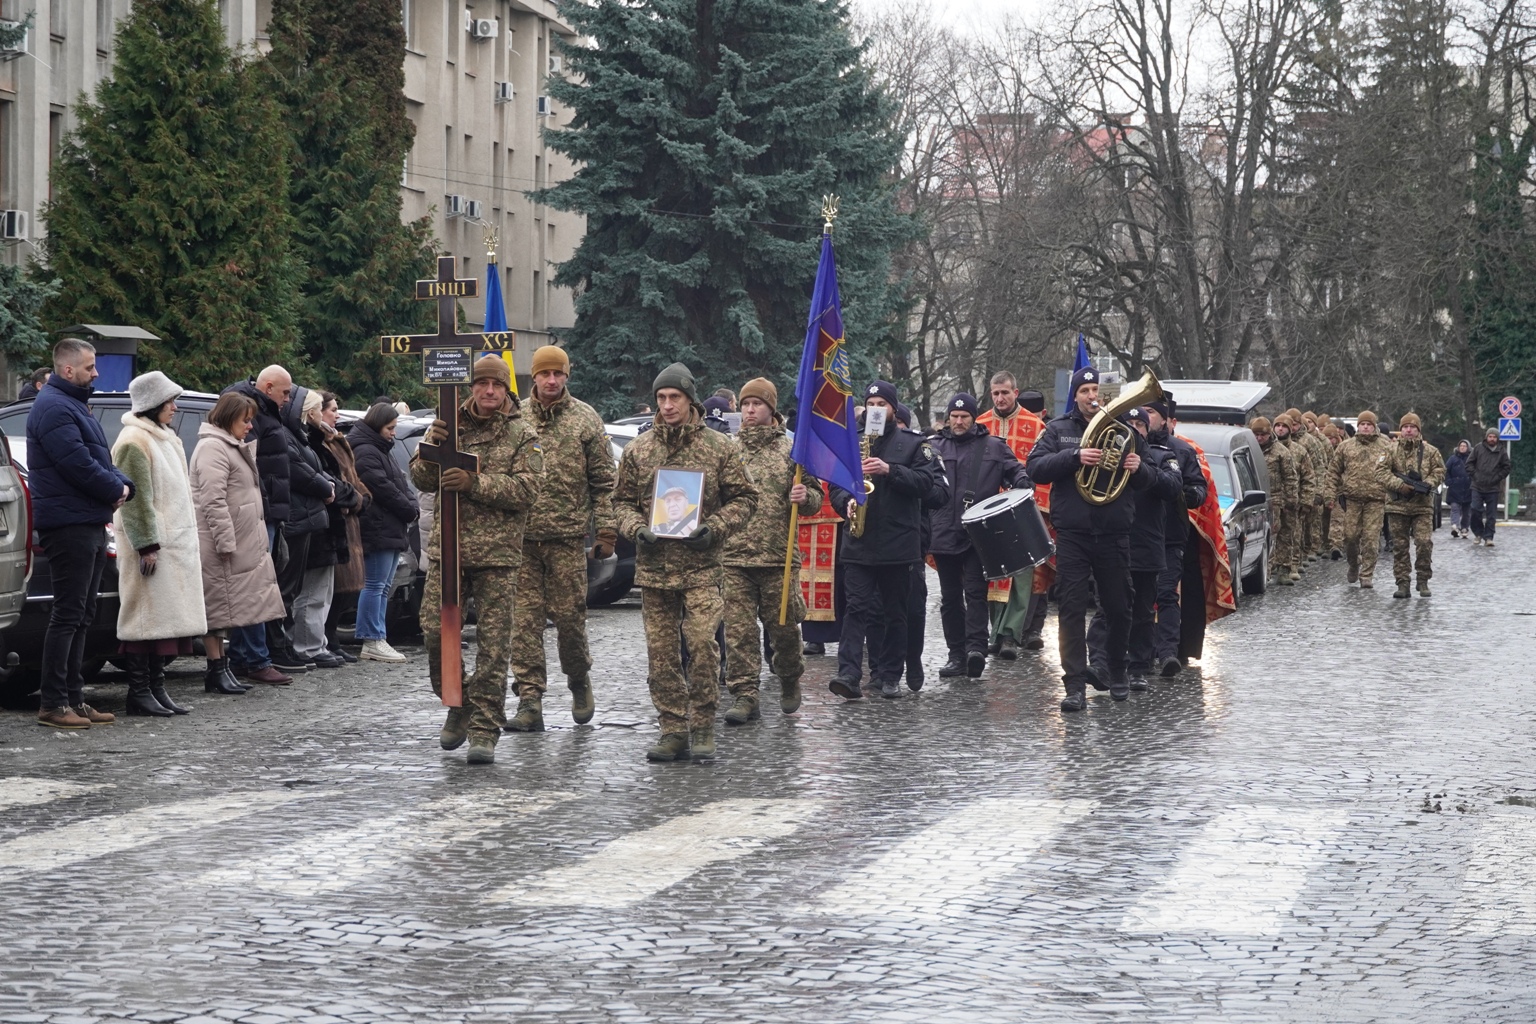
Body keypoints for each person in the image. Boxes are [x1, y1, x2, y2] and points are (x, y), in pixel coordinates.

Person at [613, 362, 758, 761]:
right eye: (661, 397)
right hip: (655, 568)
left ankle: (703, 724)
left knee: (702, 646)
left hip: (702, 568)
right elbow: (620, 502)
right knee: (661, 655)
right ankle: (673, 729)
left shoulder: (719, 447)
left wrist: (715, 527)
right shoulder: (639, 449)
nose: (667, 405)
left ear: (690, 399)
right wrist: (635, 528)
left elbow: (746, 498)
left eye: (674, 397)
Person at [411, 356, 544, 765]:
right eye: (482, 384)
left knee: (494, 645)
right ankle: (459, 701)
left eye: (497, 385)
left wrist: (476, 483)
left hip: (497, 556)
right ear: (471, 387)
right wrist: (430, 451)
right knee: (435, 632)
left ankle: (485, 728)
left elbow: (528, 490)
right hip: (449, 550)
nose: (489, 391)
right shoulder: (449, 425)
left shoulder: (522, 433)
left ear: (506, 390)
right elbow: (420, 479)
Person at [1028, 367, 1152, 712]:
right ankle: (1074, 684)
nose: (1091, 396)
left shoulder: (1126, 432)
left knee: (1118, 606)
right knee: (1070, 608)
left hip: (1114, 532)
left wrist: (1138, 468)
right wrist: (1074, 457)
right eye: (1084, 390)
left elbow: (1152, 478)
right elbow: (1035, 467)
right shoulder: (1058, 430)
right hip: (1074, 533)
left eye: (1096, 389)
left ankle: (1117, 670)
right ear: (1076, 395)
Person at [25, 339, 134, 729]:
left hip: (86, 519)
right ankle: (53, 703)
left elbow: (99, 458)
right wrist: (115, 489)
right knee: (68, 614)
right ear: (68, 369)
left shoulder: (72, 404)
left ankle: (74, 698)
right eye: (90, 367)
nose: (96, 373)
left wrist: (125, 485)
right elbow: (77, 464)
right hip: (68, 524)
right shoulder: (54, 407)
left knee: (82, 614)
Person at [508, 344, 617, 732]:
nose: (551, 380)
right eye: (545, 374)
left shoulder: (585, 419)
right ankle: (529, 699)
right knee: (523, 625)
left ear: (567, 376)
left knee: (570, 621)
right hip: (521, 542)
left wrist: (606, 531)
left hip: (567, 540)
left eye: (558, 374)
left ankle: (578, 678)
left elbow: (604, 482)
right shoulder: (514, 416)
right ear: (534, 376)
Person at [826, 381, 948, 701]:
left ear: (893, 408)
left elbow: (929, 485)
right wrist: (845, 502)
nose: (876, 409)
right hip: (859, 541)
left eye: (882, 403)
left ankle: (891, 675)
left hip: (899, 543)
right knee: (856, 609)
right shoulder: (852, 442)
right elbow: (836, 484)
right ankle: (849, 674)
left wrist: (890, 470)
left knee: (896, 612)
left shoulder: (914, 444)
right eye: (871, 403)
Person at [718, 378, 822, 723]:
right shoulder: (728, 449)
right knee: (739, 633)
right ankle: (744, 693)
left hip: (778, 557)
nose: (750, 410)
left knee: (784, 630)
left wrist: (805, 497)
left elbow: (815, 497)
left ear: (771, 409)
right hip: (734, 557)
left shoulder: (792, 451)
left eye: (757, 404)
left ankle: (789, 677)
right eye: (745, 404)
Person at [111, 372, 207, 717]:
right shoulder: (134, 441)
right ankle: (139, 692)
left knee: (161, 623)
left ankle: (155, 687)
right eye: (169, 401)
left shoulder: (163, 437)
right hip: (152, 547)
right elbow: (135, 500)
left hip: (171, 544)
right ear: (152, 404)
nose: (175, 407)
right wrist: (146, 544)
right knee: (144, 621)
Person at [190, 393, 286, 696]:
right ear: (228, 417)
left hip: (235, 541)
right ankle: (215, 669)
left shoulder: (227, 445)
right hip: (220, 544)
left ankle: (222, 668)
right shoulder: (213, 448)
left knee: (228, 609)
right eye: (245, 420)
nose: (250, 426)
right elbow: (213, 500)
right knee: (218, 607)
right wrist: (225, 542)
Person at [928, 391, 1026, 680]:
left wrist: (1023, 482)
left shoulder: (994, 446)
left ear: (973, 418)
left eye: (964, 417)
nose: (958, 422)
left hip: (979, 534)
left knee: (975, 593)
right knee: (950, 598)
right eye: (954, 417)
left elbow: (1015, 472)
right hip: (943, 532)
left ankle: (975, 650)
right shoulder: (934, 447)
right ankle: (956, 654)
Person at [1086, 406, 1181, 692]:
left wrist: (1143, 469)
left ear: (1148, 429)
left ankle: (1138, 667)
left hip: (1146, 543)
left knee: (1142, 611)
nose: (1135, 429)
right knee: (1106, 608)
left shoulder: (1162, 455)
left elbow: (1173, 487)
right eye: (1130, 424)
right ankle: (1100, 664)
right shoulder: (1106, 456)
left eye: (1141, 424)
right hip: (1110, 541)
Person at [222, 366, 294, 685]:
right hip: (256, 511)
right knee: (255, 586)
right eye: (285, 392)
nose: (288, 399)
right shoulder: (248, 409)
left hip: (265, 508)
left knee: (255, 585)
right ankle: (256, 658)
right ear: (268, 387)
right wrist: (262, 505)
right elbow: (248, 468)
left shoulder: (263, 410)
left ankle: (242, 656)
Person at [975, 374, 1050, 657]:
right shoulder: (980, 425)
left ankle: (1010, 635)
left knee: (1021, 575)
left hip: (1023, 511)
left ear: (1015, 392)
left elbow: (1042, 469)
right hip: (988, 511)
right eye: (995, 393)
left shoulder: (1036, 426)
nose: (1000, 398)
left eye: (1005, 392)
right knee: (993, 574)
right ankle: (995, 633)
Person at [293, 391, 363, 670]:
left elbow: (340, 482)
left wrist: (353, 496)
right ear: (312, 412)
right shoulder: (308, 441)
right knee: (312, 594)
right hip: (316, 525)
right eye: (329, 409)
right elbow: (322, 481)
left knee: (323, 593)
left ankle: (318, 643)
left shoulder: (317, 441)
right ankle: (309, 646)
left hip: (328, 525)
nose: (335, 414)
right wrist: (346, 495)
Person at [270, 386, 336, 672]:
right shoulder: (288, 436)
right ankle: (280, 647)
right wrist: (326, 487)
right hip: (296, 517)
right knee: (287, 588)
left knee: (294, 588)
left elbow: (313, 470)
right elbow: (299, 471)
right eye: (320, 408)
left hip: (305, 515)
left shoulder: (299, 436)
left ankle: (284, 646)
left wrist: (327, 484)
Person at [350, 403, 417, 663]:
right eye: (390, 428)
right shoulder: (367, 451)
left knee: (383, 585)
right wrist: (408, 509)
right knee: (375, 585)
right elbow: (383, 487)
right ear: (378, 425)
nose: (393, 433)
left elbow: (400, 483)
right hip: (378, 527)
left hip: (389, 526)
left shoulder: (379, 449)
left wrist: (410, 506)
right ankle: (371, 637)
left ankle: (378, 636)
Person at [1146, 396, 1206, 677]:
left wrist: (1192, 494)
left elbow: (1199, 487)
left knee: (1167, 593)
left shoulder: (1183, 450)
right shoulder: (1128, 446)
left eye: (1150, 412)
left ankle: (1168, 652)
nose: (1145, 417)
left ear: (1165, 419)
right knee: (1138, 595)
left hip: (1170, 534)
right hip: (1135, 534)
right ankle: (1141, 653)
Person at [316, 393, 370, 662]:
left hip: (351, 519)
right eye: (333, 410)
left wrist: (363, 498)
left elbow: (354, 479)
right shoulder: (319, 443)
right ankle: (327, 639)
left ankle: (331, 638)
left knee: (347, 589)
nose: (337, 415)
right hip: (337, 520)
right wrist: (354, 500)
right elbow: (334, 483)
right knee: (333, 587)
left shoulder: (338, 440)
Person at [1377, 412, 1445, 598]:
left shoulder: (1430, 451)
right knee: (1400, 546)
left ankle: (1423, 580)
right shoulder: (1390, 450)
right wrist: (1399, 485)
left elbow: (1440, 471)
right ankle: (1402, 583)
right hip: (1397, 506)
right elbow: (1380, 472)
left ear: (1418, 430)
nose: (1408, 430)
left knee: (1424, 543)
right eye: (1405, 427)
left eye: (1412, 427)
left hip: (1422, 506)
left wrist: (1428, 484)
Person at [1329, 410, 1390, 587]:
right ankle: (1354, 564)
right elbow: (1333, 471)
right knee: (1349, 537)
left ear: (1374, 426)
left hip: (1376, 500)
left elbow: (1396, 469)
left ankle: (1367, 574)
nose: (1365, 427)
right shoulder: (1346, 446)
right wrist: (1329, 495)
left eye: (1368, 424)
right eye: (1362, 424)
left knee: (1371, 539)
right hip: (1352, 499)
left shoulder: (1386, 445)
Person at [1251, 416, 1299, 585]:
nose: (1259, 438)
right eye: (1256, 435)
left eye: (1262, 435)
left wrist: (1291, 500)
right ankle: (1265, 570)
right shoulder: (1249, 450)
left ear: (1269, 433)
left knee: (1283, 534)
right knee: (1264, 535)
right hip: (1255, 498)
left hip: (1277, 498)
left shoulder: (1281, 452)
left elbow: (1290, 477)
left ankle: (1284, 569)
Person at [1274, 414, 1314, 580]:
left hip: (1292, 500)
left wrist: (1307, 500)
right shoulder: (1262, 449)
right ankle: (1271, 566)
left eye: (1284, 426)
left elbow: (1308, 477)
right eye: (1278, 425)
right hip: (1271, 500)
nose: (1280, 429)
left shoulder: (1299, 451)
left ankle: (1290, 565)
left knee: (1292, 534)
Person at [1467, 427, 1511, 547]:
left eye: (1494, 437)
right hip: (1477, 486)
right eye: (1490, 436)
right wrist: (1475, 475)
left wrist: (1497, 478)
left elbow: (1506, 467)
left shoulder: (1502, 451)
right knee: (1475, 510)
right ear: (1486, 437)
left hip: (1493, 487)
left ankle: (1489, 537)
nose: (1492, 439)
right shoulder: (1478, 448)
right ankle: (1478, 533)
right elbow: (1469, 464)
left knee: (1491, 515)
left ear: (1497, 438)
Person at [1445, 439, 1473, 538]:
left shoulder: (1472, 459)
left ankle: (1465, 528)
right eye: (1461, 446)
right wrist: (1449, 481)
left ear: (1468, 447)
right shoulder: (1453, 459)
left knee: (1466, 511)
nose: (1462, 447)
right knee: (1455, 508)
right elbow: (1446, 471)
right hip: (1455, 488)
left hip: (1468, 488)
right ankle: (1455, 526)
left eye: (1464, 446)